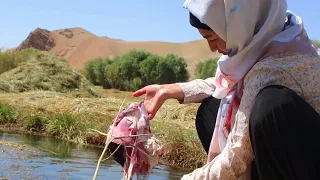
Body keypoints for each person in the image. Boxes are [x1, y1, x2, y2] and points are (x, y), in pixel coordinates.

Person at [133, 0, 320, 179]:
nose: (212, 48)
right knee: (211, 109)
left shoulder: (277, 67)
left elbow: (238, 153)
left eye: (212, 38)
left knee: (270, 107)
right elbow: (224, 84)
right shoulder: (273, 34)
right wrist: (170, 90)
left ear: (237, 23)